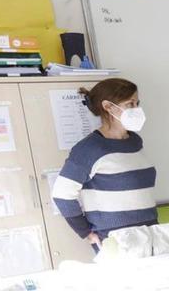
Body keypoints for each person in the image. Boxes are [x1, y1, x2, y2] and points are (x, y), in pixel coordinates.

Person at [51, 78, 157, 248]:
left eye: (137, 103)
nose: (137, 109)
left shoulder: (135, 142)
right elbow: (62, 195)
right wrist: (86, 232)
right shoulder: (89, 149)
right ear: (108, 107)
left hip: (149, 231)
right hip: (116, 239)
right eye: (130, 104)